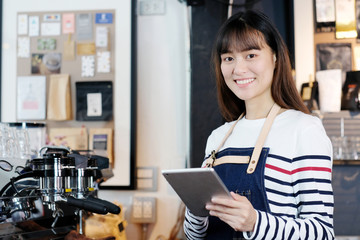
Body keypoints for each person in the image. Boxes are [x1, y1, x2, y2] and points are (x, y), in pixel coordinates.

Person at [183, 10, 334, 240]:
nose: (238, 69)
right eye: (229, 58)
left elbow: (322, 232)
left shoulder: (304, 129)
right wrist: (195, 210)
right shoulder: (218, 137)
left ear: (275, 58)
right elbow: (195, 236)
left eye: (251, 55)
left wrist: (255, 222)